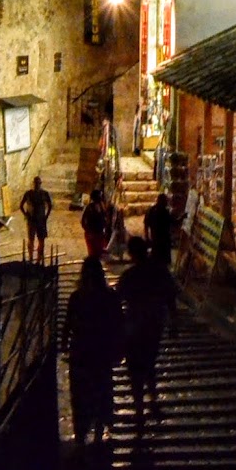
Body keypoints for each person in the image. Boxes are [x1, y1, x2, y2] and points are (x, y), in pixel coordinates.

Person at [116, 235, 177, 436]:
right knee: (149, 363)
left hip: (134, 327)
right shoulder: (159, 271)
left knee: (135, 369)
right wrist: (174, 322)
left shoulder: (129, 276)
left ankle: (140, 409)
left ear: (131, 254)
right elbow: (171, 297)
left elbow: (117, 301)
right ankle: (153, 400)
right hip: (154, 325)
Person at [61, 256, 124, 449]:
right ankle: (98, 429)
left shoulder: (77, 297)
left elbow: (68, 324)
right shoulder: (110, 296)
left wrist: (64, 344)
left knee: (81, 393)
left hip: (82, 351)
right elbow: (119, 324)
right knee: (101, 388)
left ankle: (82, 434)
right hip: (101, 350)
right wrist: (119, 348)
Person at [20, 175, 52, 264]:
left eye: (38, 183)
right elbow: (21, 205)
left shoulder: (45, 194)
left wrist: (46, 216)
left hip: (41, 220)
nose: (37, 185)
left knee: (41, 240)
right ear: (33, 184)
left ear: (40, 184)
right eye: (35, 183)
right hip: (31, 219)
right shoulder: (28, 194)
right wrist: (26, 215)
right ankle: (31, 258)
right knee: (31, 239)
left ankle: (38, 259)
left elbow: (50, 205)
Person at [144, 190, 174, 267]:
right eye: (165, 201)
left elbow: (146, 224)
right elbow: (173, 222)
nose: (166, 203)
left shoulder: (153, 210)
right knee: (160, 260)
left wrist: (147, 236)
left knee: (158, 259)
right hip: (161, 240)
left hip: (158, 239)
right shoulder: (158, 211)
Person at [81, 187, 112, 257]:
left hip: (99, 232)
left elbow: (105, 217)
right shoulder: (90, 207)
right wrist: (88, 230)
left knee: (98, 252)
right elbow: (83, 220)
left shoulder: (102, 206)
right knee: (93, 252)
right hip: (92, 233)